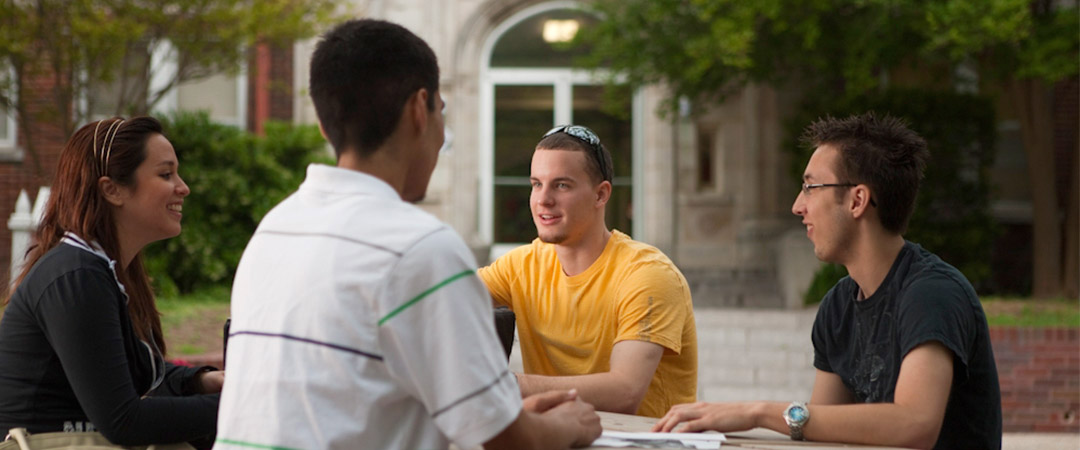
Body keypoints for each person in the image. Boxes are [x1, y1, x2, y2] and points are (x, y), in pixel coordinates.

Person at [214, 19, 601, 450]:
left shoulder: (275, 229)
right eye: (442, 112)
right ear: (420, 110)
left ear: (326, 125)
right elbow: (505, 438)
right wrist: (569, 426)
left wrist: (504, 414)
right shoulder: (421, 247)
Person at [652, 113, 1002, 449]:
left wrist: (757, 412)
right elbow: (821, 435)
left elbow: (915, 424)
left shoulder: (932, 294)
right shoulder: (838, 305)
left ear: (857, 200)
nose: (797, 206)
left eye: (810, 187)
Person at [0, 117, 222, 446]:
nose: (183, 187)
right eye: (165, 174)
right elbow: (124, 420)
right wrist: (243, 406)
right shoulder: (77, 276)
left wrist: (201, 381)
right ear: (112, 189)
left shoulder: (102, 270)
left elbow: (121, 377)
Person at [478, 125, 697, 418]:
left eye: (562, 185)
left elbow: (624, 392)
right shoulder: (521, 265)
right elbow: (437, 299)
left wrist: (499, 385)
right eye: (536, 184)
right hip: (560, 438)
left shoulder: (648, 275)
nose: (543, 199)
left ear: (600, 194)